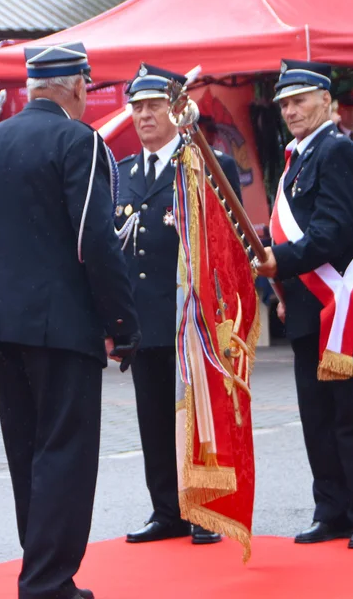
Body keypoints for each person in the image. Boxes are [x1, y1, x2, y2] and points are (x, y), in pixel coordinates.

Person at [0, 42, 140, 599]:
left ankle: (40, 569)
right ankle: (48, 581)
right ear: (80, 85)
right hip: (60, 328)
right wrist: (120, 320)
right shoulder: (77, 141)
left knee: (27, 454)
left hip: (1, 327)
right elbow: (94, 239)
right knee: (64, 452)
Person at [255, 60, 353, 550]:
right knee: (318, 416)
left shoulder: (336, 150)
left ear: (325, 101)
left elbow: (332, 230)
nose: (291, 110)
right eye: (284, 104)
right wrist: (264, 256)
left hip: (348, 304)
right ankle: (332, 509)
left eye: (299, 100)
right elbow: (288, 228)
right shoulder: (295, 158)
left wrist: (280, 260)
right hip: (308, 307)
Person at [115, 63, 241, 547]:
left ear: (175, 109)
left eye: (153, 106)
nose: (143, 116)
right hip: (146, 318)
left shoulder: (204, 163)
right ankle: (165, 508)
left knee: (198, 417)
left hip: (195, 317)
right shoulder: (123, 173)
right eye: (137, 108)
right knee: (153, 417)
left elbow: (226, 243)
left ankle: (204, 510)